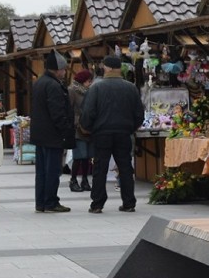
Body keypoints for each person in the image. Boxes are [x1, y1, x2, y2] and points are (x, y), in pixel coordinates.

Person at [81, 54, 145, 214]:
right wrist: (132, 127)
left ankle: (97, 203)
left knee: (100, 167)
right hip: (124, 133)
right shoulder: (130, 87)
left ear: (107, 68)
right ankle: (129, 202)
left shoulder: (96, 87)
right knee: (125, 167)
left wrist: (87, 128)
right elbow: (139, 113)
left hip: (102, 133)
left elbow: (88, 112)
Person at [30, 50, 75, 213]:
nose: (64, 73)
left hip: (40, 135)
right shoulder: (54, 86)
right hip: (52, 135)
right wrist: (66, 130)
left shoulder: (39, 83)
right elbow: (57, 113)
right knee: (52, 171)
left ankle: (40, 202)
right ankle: (50, 202)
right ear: (57, 69)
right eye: (63, 70)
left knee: (41, 172)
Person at [68, 69, 94, 192]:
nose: (90, 83)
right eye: (89, 81)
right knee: (79, 155)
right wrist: (76, 121)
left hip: (89, 127)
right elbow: (68, 109)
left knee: (87, 156)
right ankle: (73, 180)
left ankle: (85, 180)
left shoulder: (91, 92)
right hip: (78, 128)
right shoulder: (72, 91)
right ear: (83, 81)